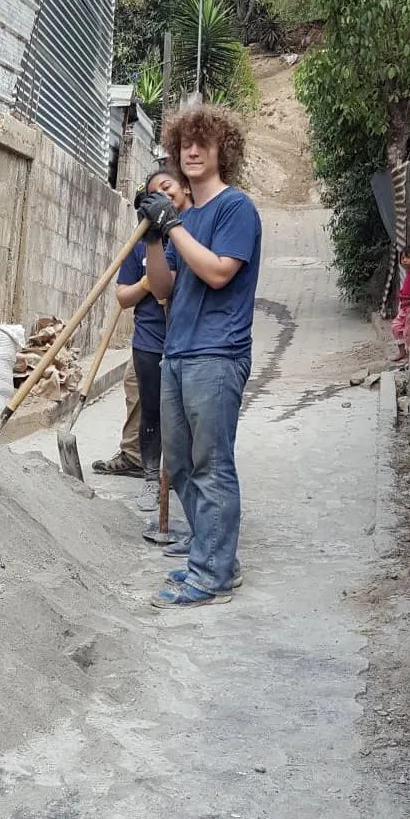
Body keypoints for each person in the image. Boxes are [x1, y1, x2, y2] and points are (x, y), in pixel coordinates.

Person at [138, 105, 262, 609]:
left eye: (202, 143)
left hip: (218, 353)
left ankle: (211, 575)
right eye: (184, 143)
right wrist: (152, 238)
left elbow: (216, 272)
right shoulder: (183, 221)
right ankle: (215, 557)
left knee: (212, 465)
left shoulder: (236, 210)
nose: (190, 150)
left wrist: (175, 227)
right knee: (181, 466)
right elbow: (163, 288)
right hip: (178, 351)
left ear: (221, 151)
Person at [115, 166, 188, 516]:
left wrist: (152, 284)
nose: (162, 195)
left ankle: (177, 478)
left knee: (184, 417)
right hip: (148, 338)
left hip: (185, 340)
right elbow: (123, 296)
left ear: (184, 188)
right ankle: (149, 479)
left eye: (167, 187)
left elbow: (170, 287)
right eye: (153, 193)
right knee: (150, 413)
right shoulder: (141, 242)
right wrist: (145, 284)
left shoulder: (189, 232)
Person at [391, 249, 410, 356]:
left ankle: (409, 357)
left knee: (407, 332)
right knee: (396, 326)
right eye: (402, 258)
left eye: (407, 257)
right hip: (404, 307)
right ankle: (402, 352)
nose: (404, 260)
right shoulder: (408, 274)